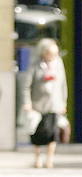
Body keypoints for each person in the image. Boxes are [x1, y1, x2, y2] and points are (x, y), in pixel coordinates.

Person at [23, 38, 68, 168]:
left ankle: (50, 159)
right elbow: (27, 86)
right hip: (38, 104)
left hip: (54, 104)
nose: (53, 56)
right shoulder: (35, 64)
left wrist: (63, 103)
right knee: (37, 133)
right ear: (43, 53)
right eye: (50, 53)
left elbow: (63, 85)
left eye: (55, 54)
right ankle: (37, 158)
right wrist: (27, 103)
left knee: (52, 132)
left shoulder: (58, 64)